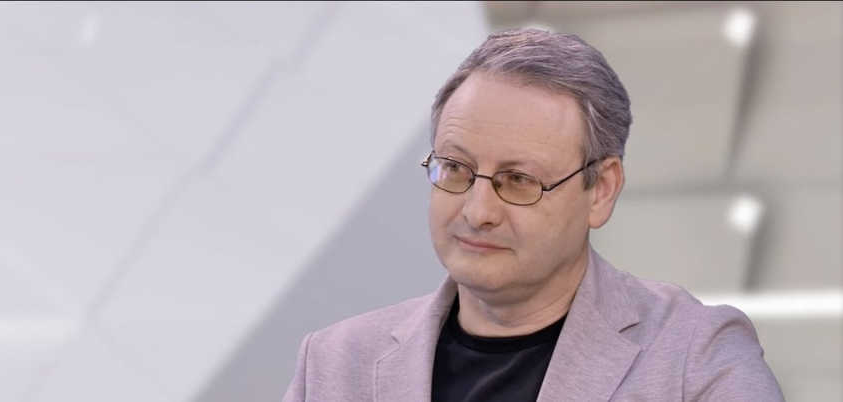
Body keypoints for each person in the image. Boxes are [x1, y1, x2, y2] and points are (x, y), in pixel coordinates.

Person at [282, 28, 784, 402]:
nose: (478, 211)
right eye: (455, 168)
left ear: (601, 190)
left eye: (518, 180)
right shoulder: (332, 364)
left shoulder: (695, 358)